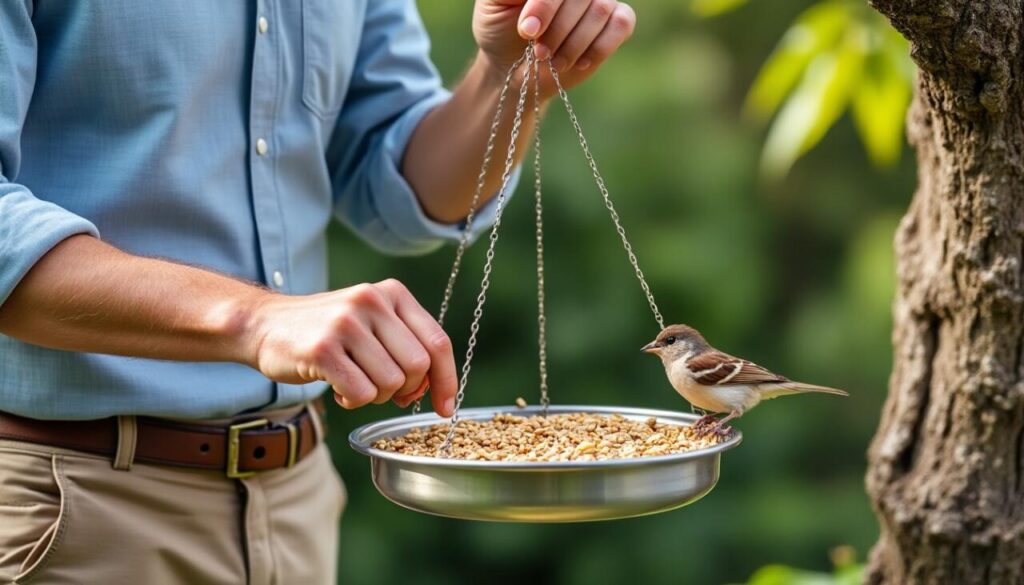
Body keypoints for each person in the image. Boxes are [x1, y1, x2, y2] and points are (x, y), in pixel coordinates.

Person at [0, 0, 635, 582]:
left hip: (299, 502)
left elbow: (398, 183)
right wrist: (256, 319)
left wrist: (508, 80)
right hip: (69, 506)